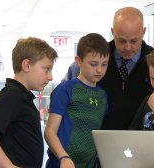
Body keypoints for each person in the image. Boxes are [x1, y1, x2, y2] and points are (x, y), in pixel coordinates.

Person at [0, 37, 58, 168]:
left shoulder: (22, 96)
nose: (50, 76)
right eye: (46, 69)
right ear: (27, 65)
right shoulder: (14, 94)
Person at [44, 33, 110, 168]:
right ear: (79, 61)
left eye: (104, 64)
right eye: (93, 64)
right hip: (61, 164)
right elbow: (50, 132)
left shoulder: (103, 96)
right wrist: (63, 157)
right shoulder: (65, 90)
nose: (99, 70)